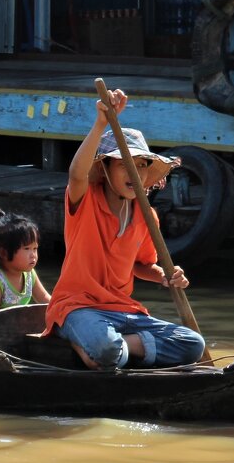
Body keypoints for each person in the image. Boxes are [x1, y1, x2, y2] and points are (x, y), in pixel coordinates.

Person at [44, 89, 205, 370]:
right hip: (78, 307)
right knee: (107, 349)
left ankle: (109, 350)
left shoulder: (146, 215)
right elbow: (76, 174)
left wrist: (167, 276)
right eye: (125, 165)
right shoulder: (87, 200)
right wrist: (101, 124)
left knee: (193, 344)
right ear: (106, 169)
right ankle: (93, 345)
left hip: (123, 310)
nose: (136, 173)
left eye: (142, 166)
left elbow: (142, 265)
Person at [0, 208, 51, 309]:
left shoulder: (30, 274)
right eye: (27, 248)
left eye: (35, 248)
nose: (33, 255)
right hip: (2, 324)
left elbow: (44, 298)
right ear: (3, 253)